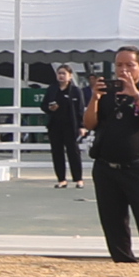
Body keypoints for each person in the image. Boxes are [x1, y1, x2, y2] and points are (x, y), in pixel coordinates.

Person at [87, 45, 139, 267]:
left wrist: (136, 95)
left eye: (129, 65)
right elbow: (89, 123)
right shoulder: (107, 93)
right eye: (119, 65)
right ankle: (123, 263)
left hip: (137, 168)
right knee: (113, 220)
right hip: (106, 167)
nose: (123, 70)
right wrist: (95, 98)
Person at [41, 61, 85, 189]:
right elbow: (43, 106)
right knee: (57, 153)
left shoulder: (76, 91)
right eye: (59, 73)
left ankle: (78, 179)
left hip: (71, 126)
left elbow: (80, 110)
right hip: (55, 126)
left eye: (63, 74)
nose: (61, 76)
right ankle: (61, 179)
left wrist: (82, 126)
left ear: (70, 76)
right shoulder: (52, 89)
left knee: (73, 152)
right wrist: (50, 109)